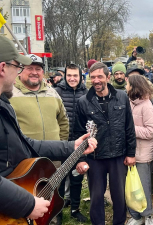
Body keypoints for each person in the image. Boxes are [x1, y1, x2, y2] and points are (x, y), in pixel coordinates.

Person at [0, 33, 97, 222]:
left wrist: (72, 146)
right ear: (3, 68)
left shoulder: (1, 104)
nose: (19, 73)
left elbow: (26, 145)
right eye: (18, 66)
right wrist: (27, 204)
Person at [74, 62, 136, 225]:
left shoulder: (122, 97)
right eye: (92, 77)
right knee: (96, 197)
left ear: (108, 77)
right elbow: (77, 132)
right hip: (95, 157)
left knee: (119, 196)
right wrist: (80, 159)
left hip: (118, 154)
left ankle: (119, 222)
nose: (96, 80)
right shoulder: (83, 102)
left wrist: (131, 153)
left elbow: (129, 127)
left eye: (100, 76)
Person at [55, 63, 88, 224]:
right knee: (59, 179)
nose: (72, 78)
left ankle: (75, 209)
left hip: (80, 142)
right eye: (69, 75)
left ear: (81, 76)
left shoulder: (86, 93)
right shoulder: (57, 92)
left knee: (77, 177)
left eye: (75, 75)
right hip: (61, 142)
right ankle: (58, 211)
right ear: (65, 76)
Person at [10, 54, 69, 142]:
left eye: (38, 69)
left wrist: (61, 145)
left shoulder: (52, 93)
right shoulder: (9, 94)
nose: (34, 73)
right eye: (29, 68)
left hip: (54, 153)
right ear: (20, 70)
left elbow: (63, 122)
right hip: (24, 154)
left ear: (42, 72)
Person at [125, 74, 153, 225]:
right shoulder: (130, 103)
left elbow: (152, 131)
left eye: (128, 84)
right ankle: (136, 216)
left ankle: (148, 216)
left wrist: (130, 129)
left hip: (143, 155)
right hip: (131, 153)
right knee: (132, 188)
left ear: (134, 87)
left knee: (144, 187)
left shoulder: (146, 106)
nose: (126, 87)